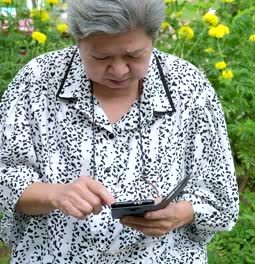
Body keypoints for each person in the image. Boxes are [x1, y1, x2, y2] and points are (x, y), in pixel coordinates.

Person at [0, 0, 239, 263]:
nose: (119, 70)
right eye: (101, 57)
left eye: (134, 56)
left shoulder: (188, 86)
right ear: (78, 41)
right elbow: (5, 175)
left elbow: (219, 192)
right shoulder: (37, 80)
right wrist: (55, 194)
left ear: (153, 39)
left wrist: (180, 213)